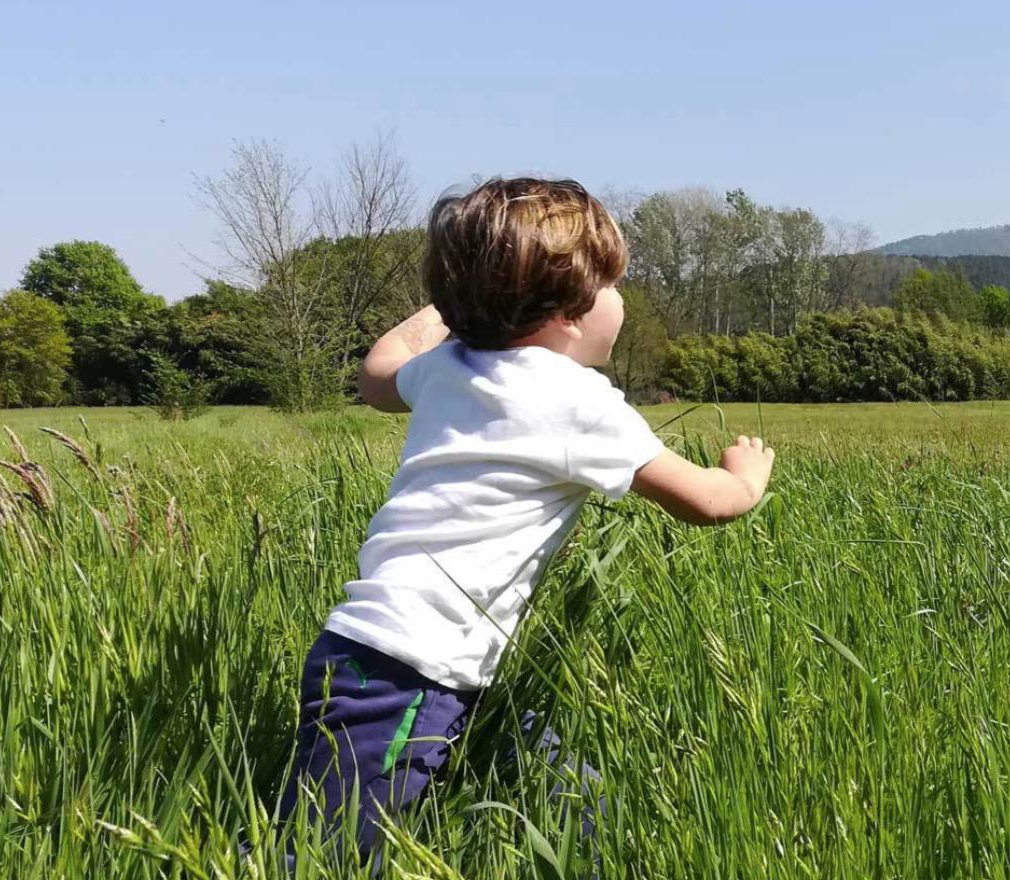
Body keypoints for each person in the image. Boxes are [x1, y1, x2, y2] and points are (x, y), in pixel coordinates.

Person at [274, 177, 776, 855]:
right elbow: (708, 503)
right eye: (613, 285)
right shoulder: (573, 396)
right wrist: (745, 475)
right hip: (410, 670)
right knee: (323, 853)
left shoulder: (450, 366)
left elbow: (377, 372)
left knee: (561, 784)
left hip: (392, 658)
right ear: (567, 308)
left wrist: (458, 300)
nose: (622, 300)